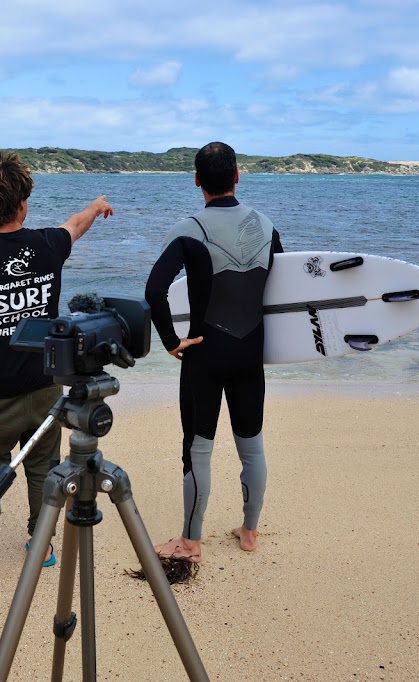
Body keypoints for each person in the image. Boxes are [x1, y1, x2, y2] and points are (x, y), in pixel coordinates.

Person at [0, 152, 113, 581]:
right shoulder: (47, 245)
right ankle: (42, 543)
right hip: (44, 386)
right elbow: (75, 226)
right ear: (23, 204)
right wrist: (95, 206)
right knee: (43, 468)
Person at [144, 141, 283, 560]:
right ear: (237, 176)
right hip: (250, 354)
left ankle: (190, 541)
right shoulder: (267, 224)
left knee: (198, 447)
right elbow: (283, 294)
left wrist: (171, 342)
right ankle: (249, 531)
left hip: (204, 352)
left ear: (197, 181)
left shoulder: (189, 229)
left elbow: (155, 292)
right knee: (252, 445)